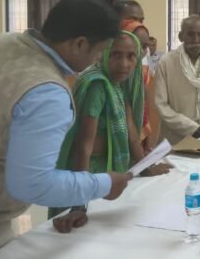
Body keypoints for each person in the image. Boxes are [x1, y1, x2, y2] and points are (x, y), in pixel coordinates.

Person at [0, 0, 133, 258]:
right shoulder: (47, 91)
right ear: (80, 44)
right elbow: (34, 184)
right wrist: (103, 183)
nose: (97, 59)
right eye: (100, 51)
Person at [50, 31, 170, 233]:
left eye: (131, 56)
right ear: (103, 54)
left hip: (109, 175)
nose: (124, 64)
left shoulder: (119, 84)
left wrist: (145, 167)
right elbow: (84, 147)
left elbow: (132, 134)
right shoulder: (97, 85)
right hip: (88, 174)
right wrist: (79, 204)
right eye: (116, 55)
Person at [154, 15, 200, 141]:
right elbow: (161, 104)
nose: (196, 40)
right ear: (181, 36)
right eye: (190, 34)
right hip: (175, 135)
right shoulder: (166, 62)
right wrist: (191, 128)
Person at [121, 19, 159, 152]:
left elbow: (147, 110)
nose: (141, 51)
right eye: (136, 44)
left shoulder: (142, 74)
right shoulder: (113, 78)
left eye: (144, 46)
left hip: (138, 143)